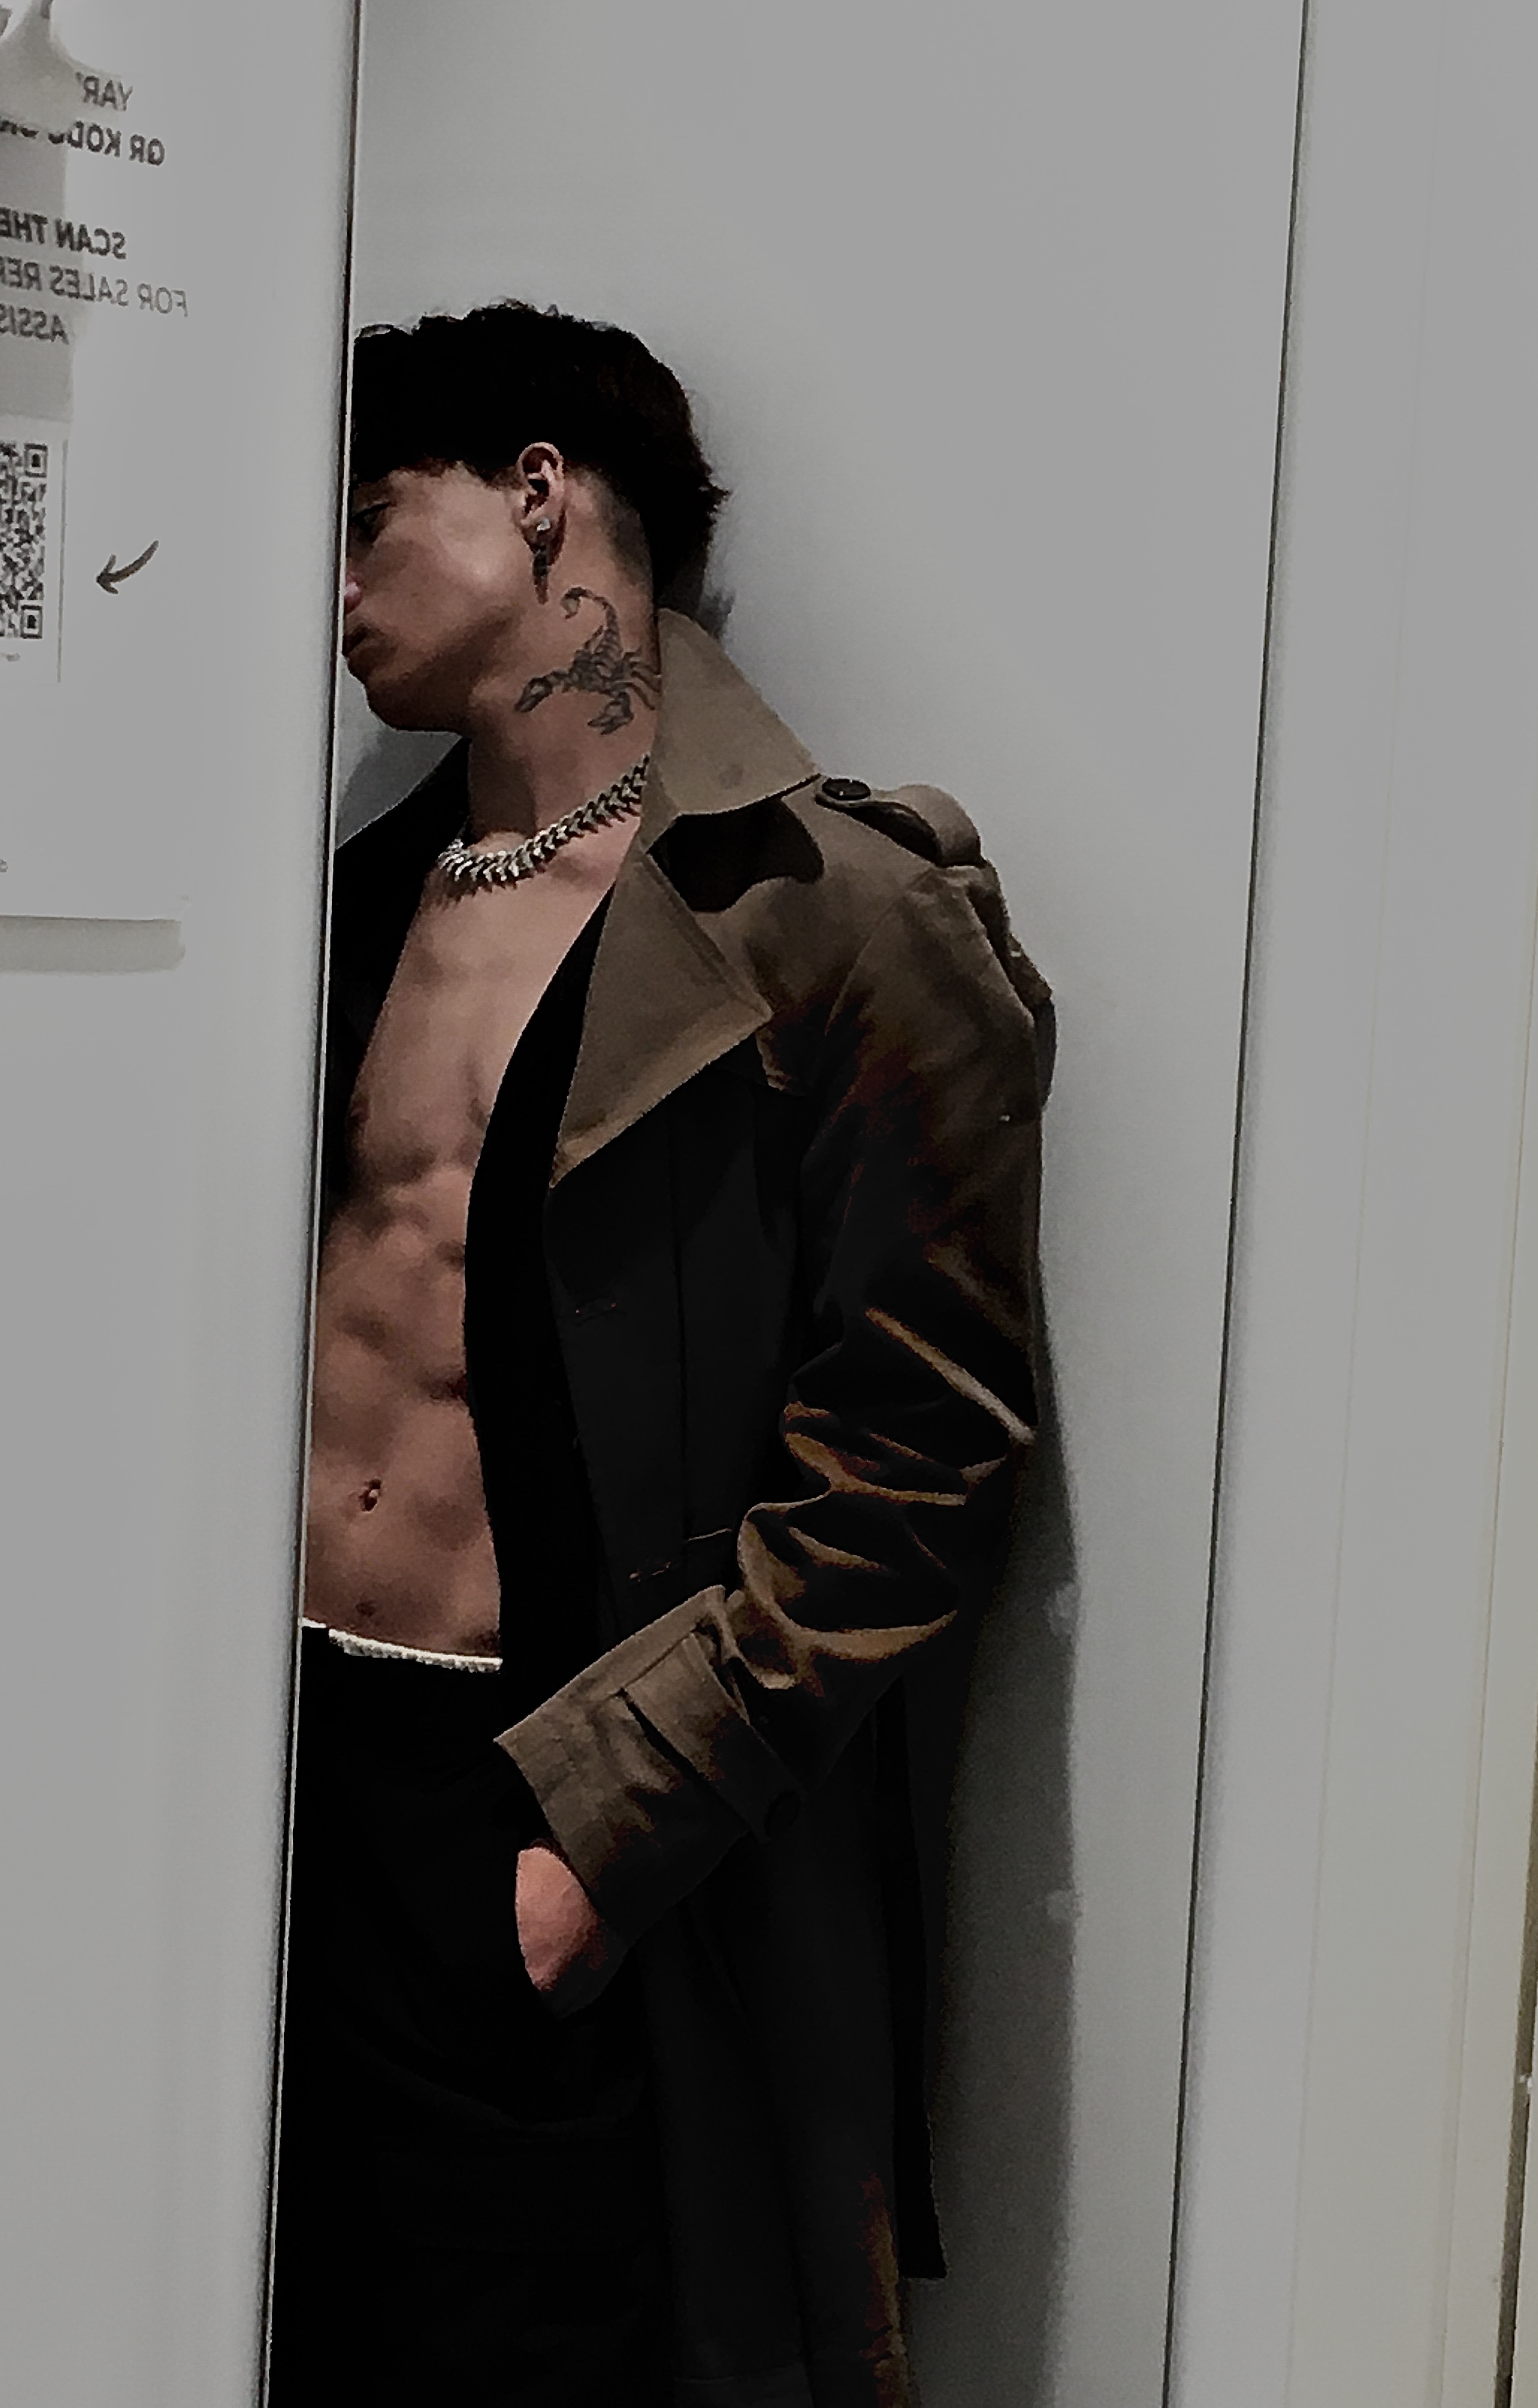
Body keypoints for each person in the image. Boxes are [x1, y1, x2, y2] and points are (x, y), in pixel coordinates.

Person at [268, 299, 1048, 2408]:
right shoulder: (326, 906)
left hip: (564, 1803)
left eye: (365, 519)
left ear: (538, 498)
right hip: (281, 1782)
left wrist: (600, 1843)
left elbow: (920, 1454)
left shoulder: (836, 912)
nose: (327, 593)